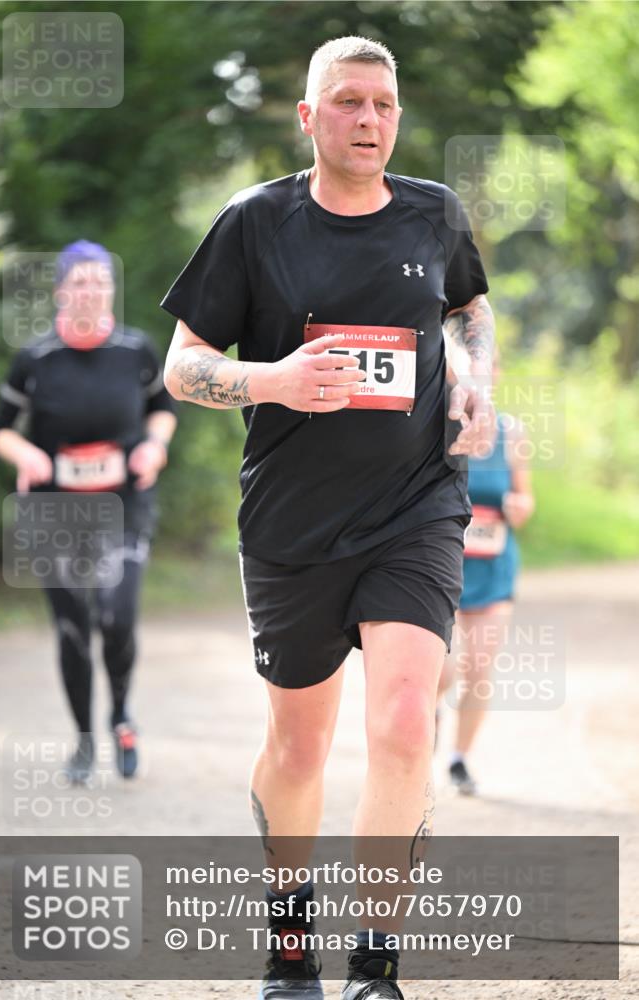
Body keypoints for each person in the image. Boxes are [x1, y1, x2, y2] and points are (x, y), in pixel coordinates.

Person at [161, 36, 494, 1000]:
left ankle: (375, 963)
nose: (369, 122)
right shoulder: (255, 223)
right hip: (291, 524)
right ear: (308, 117)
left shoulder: (435, 214)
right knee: (299, 746)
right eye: (347, 103)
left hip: (414, 508)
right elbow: (181, 364)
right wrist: (272, 380)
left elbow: (470, 311)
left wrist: (474, 379)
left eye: (384, 106)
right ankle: (290, 944)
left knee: (399, 724)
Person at [0, 240, 177, 783]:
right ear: (61, 292)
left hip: (123, 504)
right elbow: (0, 429)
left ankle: (120, 714)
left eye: (100, 282)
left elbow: (162, 410)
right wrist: (23, 451)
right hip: (55, 510)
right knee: (73, 627)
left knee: (117, 618)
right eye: (81, 282)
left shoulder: (135, 350)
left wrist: (154, 446)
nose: (91, 291)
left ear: (111, 291)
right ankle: (83, 741)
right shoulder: (35, 359)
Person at [440, 350, 535, 795]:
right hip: (440, 566)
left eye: (489, 367)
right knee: (440, 670)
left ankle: (459, 760)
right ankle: (425, 728)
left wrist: (519, 509)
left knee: (478, 667)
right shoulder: (436, 424)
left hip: (494, 567)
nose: (482, 375)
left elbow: (523, 499)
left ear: (497, 373)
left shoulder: (512, 431)